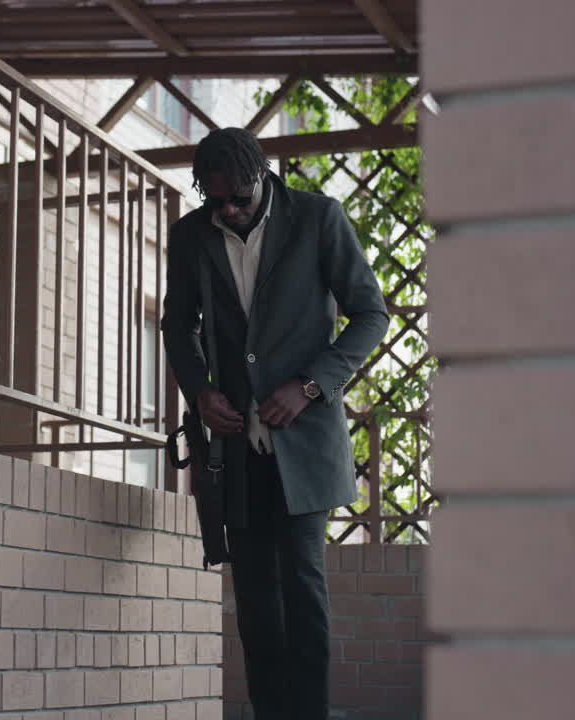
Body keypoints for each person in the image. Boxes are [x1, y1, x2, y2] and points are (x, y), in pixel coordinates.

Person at [160, 127, 387, 720]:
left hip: (306, 445)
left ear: (262, 175)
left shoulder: (317, 219)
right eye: (217, 202)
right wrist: (202, 391)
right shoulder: (189, 238)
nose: (229, 211)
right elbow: (176, 327)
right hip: (235, 448)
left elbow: (370, 314)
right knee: (257, 605)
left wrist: (312, 386)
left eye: (240, 197)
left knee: (303, 594)